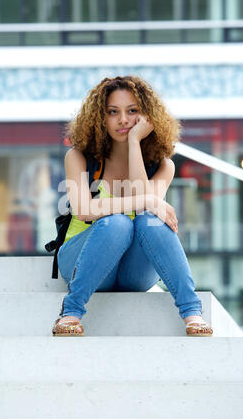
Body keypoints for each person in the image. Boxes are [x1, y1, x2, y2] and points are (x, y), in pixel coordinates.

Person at [52, 76, 213, 337]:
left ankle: (192, 312)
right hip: (81, 261)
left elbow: (145, 211)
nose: (123, 120)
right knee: (117, 222)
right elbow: (83, 209)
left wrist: (135, 143)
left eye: (132, 111)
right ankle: (70, 313)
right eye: (112, 112)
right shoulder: (79, 157)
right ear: (99, 117)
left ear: (147, 117)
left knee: (152, 222)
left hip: (132, 273)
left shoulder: (163, 165)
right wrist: (147, 199)